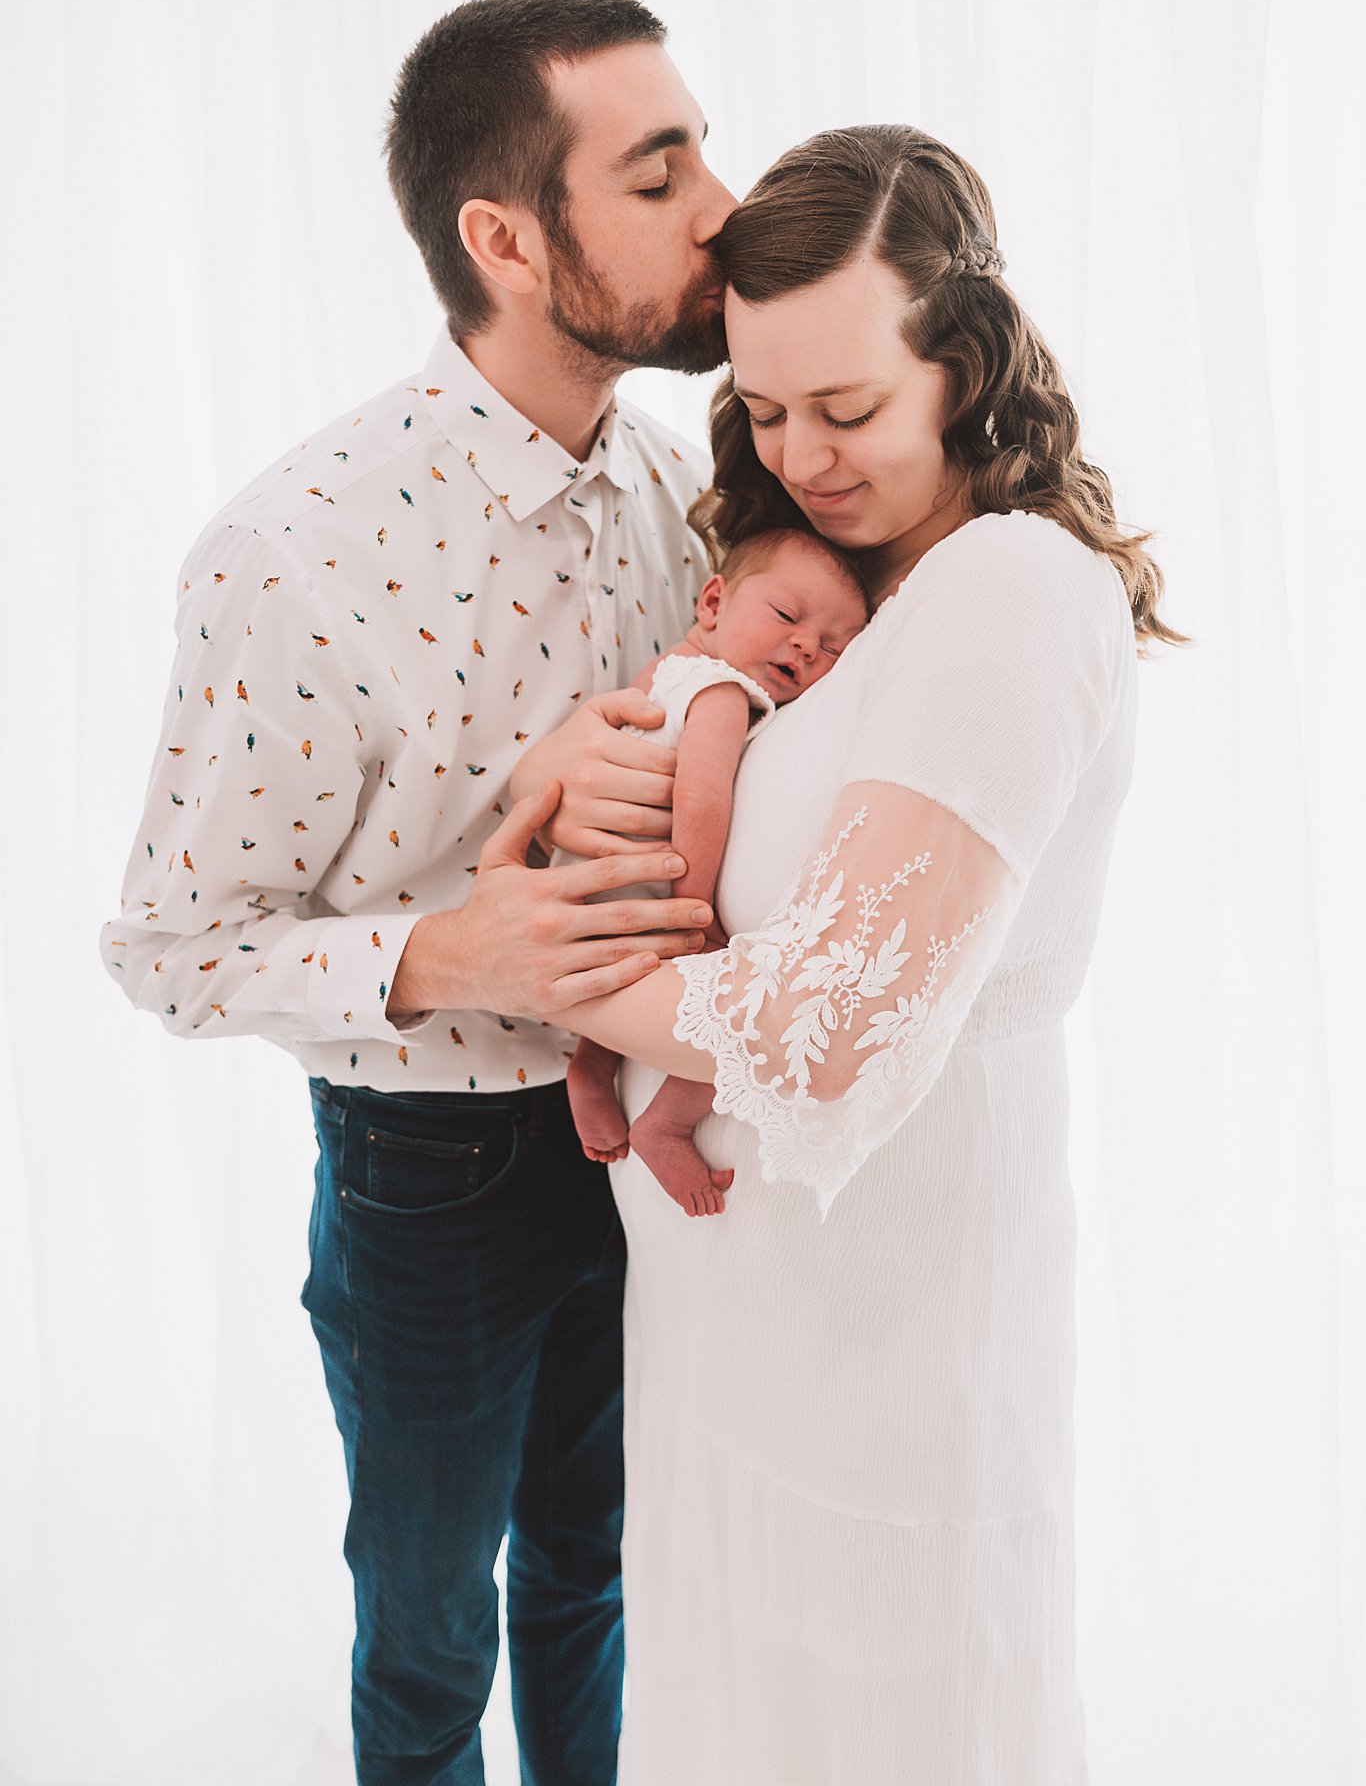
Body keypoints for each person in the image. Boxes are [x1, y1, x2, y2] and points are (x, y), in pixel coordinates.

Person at [426, 125, 1183, 1782]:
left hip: (886, 1366)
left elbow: (823, 1028)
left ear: (963, 366)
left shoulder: (1006, 588)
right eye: (764, 412)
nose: (804, 454)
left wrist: (518, 961)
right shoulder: (838, 591)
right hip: (735, 1356)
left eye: (846, 409)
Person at [100, 0, 735, 1786]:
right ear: (506, 240)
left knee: (597, 1576)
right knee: (432, 1634)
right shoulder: (289, 552)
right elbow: (167, 947)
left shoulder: (666, 481)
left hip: (649, 1138)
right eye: (661, 169)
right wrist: (447, 945)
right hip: (430, 1179)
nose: (722, 207)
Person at [566, 526, 869, 1213]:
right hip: (653, 892)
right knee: (735, 1010)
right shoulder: (723, 692)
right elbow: (700, 799)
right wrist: (694, 912)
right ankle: (667, 1124)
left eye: (831, 648)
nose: (803, 645)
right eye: (788, 618)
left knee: (620, 989)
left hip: (594, 883)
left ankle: (589, 1066)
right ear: (712, 603)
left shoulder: (666, 670)